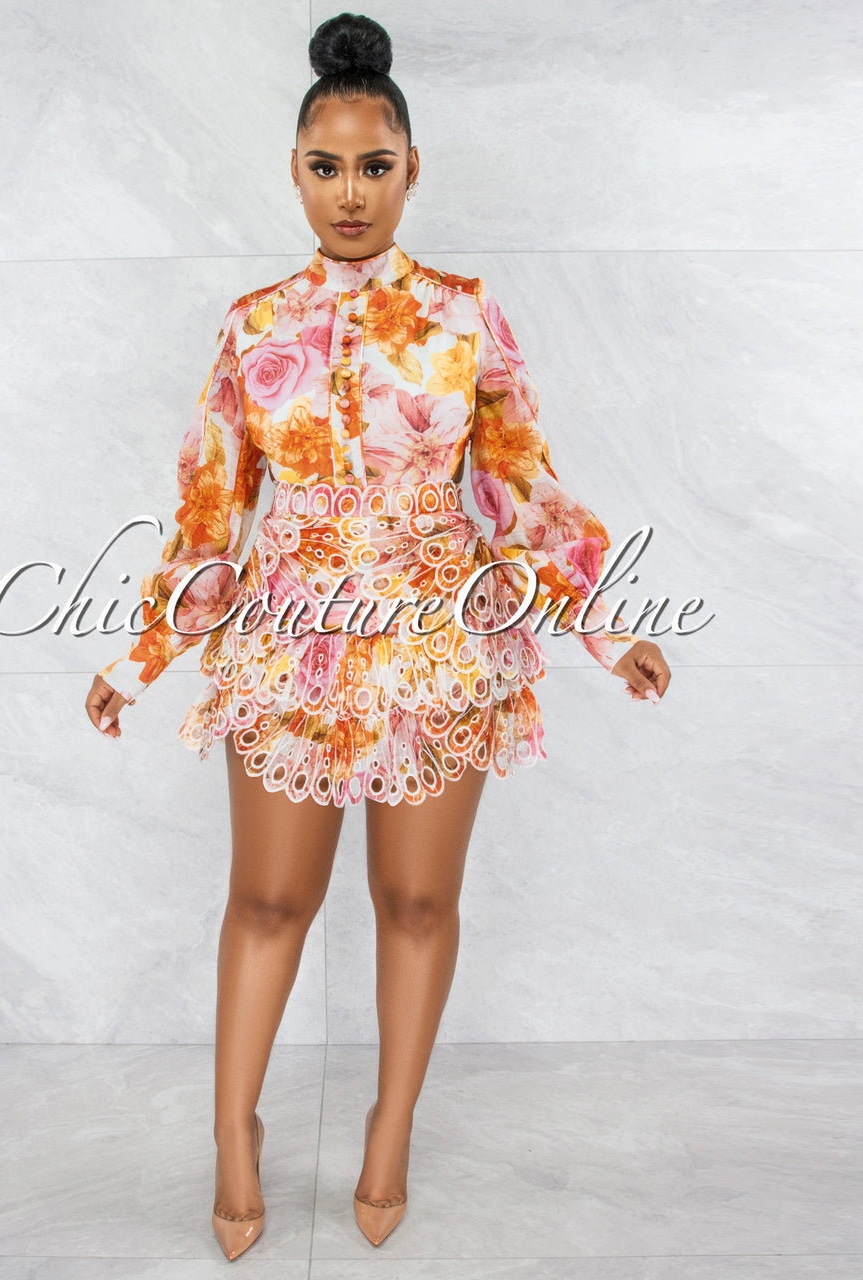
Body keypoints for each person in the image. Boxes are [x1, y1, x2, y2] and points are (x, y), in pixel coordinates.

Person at [85, 11, 671, 1261]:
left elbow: (520, 483)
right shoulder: (253, 324)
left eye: (373, 165)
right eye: (325, 166)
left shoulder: (465, 316)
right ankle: (233, 1132)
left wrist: (608, 627)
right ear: (293, 173)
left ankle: (389, 1126)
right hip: (288, 635)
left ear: (410, 170)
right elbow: (208, 508)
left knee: (414, 897)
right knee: (268, 896)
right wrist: (138, 656)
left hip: (437, 635)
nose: (349, 192)